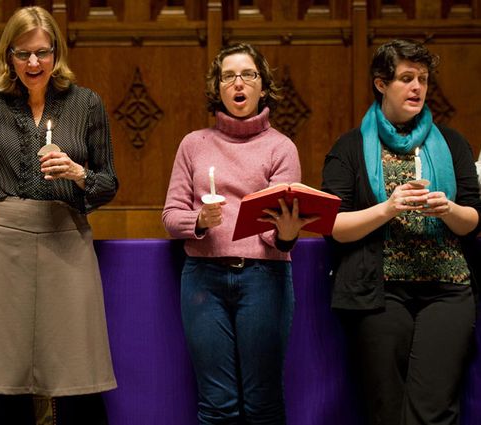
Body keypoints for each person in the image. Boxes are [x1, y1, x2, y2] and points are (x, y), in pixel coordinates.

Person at [0, 6, 118, 425]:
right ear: (7, 55)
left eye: (43, 53)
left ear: (57, 53)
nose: (34, 63)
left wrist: (79, 174)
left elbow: (109, 182)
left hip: (66, 236)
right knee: (4, 368)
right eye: (23, 53)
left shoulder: (86, 103)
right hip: (3, 241)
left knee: (74, 364)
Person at [321, 39, 481, 425]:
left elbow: (474, 219)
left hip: (447, 290)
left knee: (434, 410)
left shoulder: (452, 142)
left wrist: (449, 210)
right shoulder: (351, 146)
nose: (417, 88)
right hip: (380, 292)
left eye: (423, 80)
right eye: (406, 78)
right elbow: (333, 226)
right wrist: (388, 208)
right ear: (381, 84)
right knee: (387, 410)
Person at [162, 43, 318, 424]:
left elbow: (280, 230)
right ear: (217, 88)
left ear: (263, 87)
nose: (238, 83)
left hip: (264, 277)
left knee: (263, 402)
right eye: (228, 76)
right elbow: (170, 216)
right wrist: (199, 221)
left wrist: (284, 235)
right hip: (203, 278)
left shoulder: (281, 147)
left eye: (248, 75)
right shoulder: (193, 144)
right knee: (217, 404)